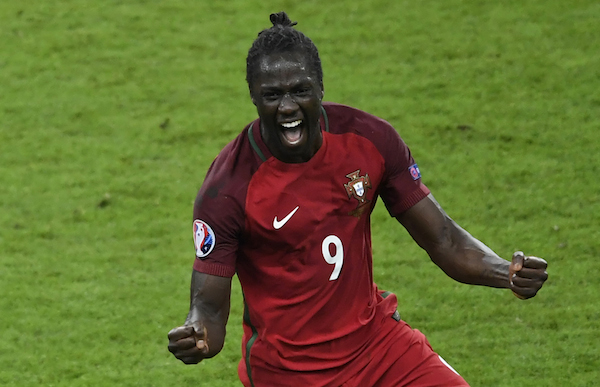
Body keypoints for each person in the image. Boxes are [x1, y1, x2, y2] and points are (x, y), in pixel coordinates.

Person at [167, 12, 548, 387]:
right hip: (289, 374)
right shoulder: (228, 188)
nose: (287, 108)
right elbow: (210, 310)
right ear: (253, 95)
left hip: (378, 349)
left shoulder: (369, 142)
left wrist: (506, 273)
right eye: (272, 95)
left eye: (300, 90)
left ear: (320, 88)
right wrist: (196, 335)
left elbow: (444, 240)